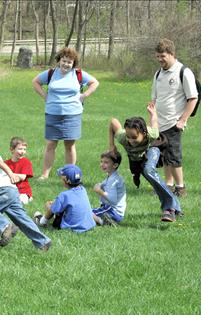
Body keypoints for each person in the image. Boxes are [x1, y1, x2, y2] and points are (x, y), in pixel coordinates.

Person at [0, 123, 52, 251]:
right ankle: (43, 242)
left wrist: (11, 173)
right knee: (22, 219)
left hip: (3, 191)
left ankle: (5, 227)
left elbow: (1, 164)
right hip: (12, 191)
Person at [32, 47, 99, 180]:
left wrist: (84, 95)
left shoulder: (78, 74)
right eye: (64, 61)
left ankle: (69, 174)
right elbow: (36, 82)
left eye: (69, 62)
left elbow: (94, 82)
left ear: (73, 63)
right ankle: (45, 175)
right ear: (59, 61)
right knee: (51, 144)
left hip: (72, 114)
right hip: (53, 113)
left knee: (69, 145)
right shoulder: (51, 73)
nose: (66, 64)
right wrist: (45, 96)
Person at [109, 102, 181, 222]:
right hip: (139, 159)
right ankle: (175, 207)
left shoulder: (151, 135)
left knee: (148, 170)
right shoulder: (123, 137)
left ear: (144, 133)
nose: (131, 140)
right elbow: (113, 121)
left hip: (152, 149)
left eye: (134, 137)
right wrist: (111, 146)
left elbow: (154, 124)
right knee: (154, 181)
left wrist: (153, 114)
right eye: (128, 137)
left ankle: (169, 209)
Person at [151, 38, 199, 197]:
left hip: (174, 122)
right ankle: (169, 185)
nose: (159, 60)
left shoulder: (183, 72)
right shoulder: (158, 73)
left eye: (162, 56)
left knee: (174, 157)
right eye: (157, 56)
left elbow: (193, 98)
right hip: (160, 123)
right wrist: (153, 117)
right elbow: (155, 98)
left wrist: (183, 120)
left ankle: (181, 188)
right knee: (164, 157)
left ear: (172, 54)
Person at [33, 164, 95, 233]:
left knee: (50, 206)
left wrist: (50, 206)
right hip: (89, 226)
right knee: (58, 205)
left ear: (66, 180)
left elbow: (53, 210)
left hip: (72, 228)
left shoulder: (64, 195)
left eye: (61, 178)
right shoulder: (83, 190)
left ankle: (42, 221)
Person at [92, 151, 127, 226]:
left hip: (113, 211)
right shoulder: (113, 177)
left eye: (106, 162)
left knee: (86, 213)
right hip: (113, 211)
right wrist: (101, 185)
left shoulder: (113, 180)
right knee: (86, 212)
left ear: (115, 165)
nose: (102, 164)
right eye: (101, 161)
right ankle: (103, 219)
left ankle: (103, 221)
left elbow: (113, 200)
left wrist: (99, 191)